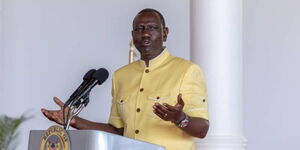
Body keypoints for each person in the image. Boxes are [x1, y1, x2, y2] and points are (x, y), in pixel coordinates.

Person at [41, 8, 209, 150]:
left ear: (165, 33)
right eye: (139, 29)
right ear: (132, 35)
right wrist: (74, 120)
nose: (145, 34)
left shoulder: (187, 70)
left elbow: (202, 130)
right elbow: (118, 131)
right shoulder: (121, 76)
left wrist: (179, 118)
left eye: (152, 28)